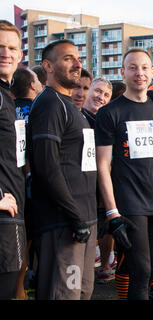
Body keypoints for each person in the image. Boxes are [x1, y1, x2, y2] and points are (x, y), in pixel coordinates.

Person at [95, 48, 153, 300]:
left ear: (152, 73)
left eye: (144, 67)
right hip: (129, 206)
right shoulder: (110, 112)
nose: (139, 73)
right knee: (141, 272)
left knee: (149, 270)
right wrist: (112, 213)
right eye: (132, 67)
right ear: (123, 72)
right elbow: (102, 165)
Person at [28, 39, 97, 300]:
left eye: (78, 59)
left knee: (81, 292)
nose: (77, 64)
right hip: (64, 224)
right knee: (65, 294)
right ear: (48, 65)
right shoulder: (49, 104)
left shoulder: (69, 105)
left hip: (84, 221)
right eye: (68, 58)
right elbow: (47, 167)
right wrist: (75, 216)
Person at [10, 66, 43, 299]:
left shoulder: (9, 110)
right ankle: (32, 284)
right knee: (37, 239)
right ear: (32, 85)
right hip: (36, 182)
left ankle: (20, 288)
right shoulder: (41, 109)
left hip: (13, 182)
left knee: (24, 240)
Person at [0, 20, 26, 300]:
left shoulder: (8, 96)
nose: (5, 53)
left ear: (20, 55)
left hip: (12, 216)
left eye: (11, 48)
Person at [79, 78, 114, 283]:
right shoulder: (77, 116)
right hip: (82, 183)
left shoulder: (104, 122)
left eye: (105, 95)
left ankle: (105, 265)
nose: (100, 97)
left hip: (102, 181)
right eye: (97, 91)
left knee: (106, 224)